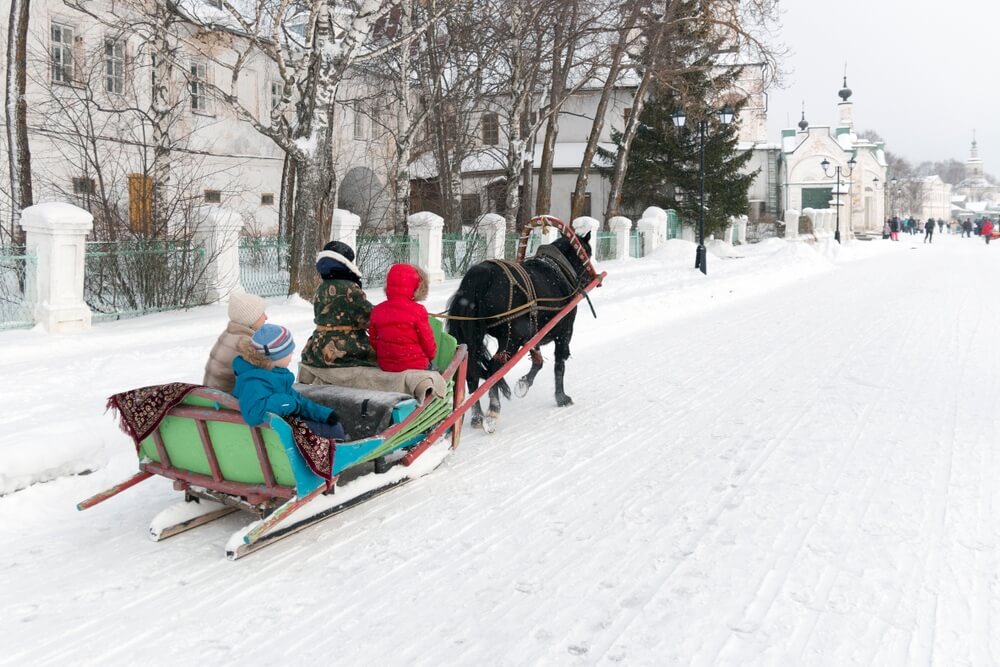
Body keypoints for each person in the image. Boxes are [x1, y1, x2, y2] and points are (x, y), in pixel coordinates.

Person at [232, 323, 345, 440]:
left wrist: (323, 414)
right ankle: (335, 456)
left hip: (277, 431)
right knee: (333, 429)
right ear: (274, 356)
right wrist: (289, 403)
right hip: (274, 437)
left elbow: (297, 401)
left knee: (333, 425)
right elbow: (254, 413)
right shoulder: (254, 381)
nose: (291, 355)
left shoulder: (272, 375)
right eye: (288, 352)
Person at [300, 241, 377, 369]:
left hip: (318, 347)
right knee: (381, 355)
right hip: (344, 346)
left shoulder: (321, 287)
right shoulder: (350, 288)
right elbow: (368, 317)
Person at [368, 264, 436, 372]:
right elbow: (427, 342)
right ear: (416, 286)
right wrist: (431, 356)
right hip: (416, 366)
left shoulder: (378, 310)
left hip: (387, 367)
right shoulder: (418, 310)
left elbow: (374, 340)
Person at [203, 291, 267, 394]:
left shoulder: (231, 333)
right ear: (250, 318)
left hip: (212, 396)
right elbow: (265, 376)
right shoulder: (244, 343)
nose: (266, 317)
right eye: (262, 313)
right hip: (226, 403)